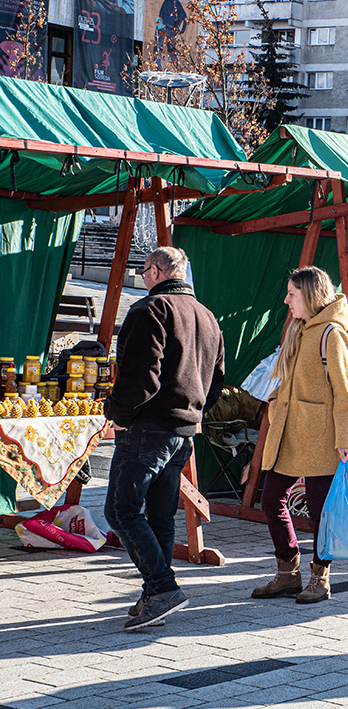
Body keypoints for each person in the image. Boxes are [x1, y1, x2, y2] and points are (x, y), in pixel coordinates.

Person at [105, 247, 224, 630]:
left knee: (121, 511)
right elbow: (216, 380)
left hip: (148, 427)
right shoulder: (207, 316)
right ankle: (155, 593)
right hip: (183, 430)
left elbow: (140, 376)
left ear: (156, 271)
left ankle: (162, 587)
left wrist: (118, 416)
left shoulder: (151, 309)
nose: (142, 277)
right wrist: (194, 414)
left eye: (143, 270)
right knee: (158, 514)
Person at [253, 267, 348, 605]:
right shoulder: (298, 330)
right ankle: (287, 573)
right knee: (270, 499)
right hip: (288, 433)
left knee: (319, 511)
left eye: (292, 294)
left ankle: (320, 578)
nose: (286, 300)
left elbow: (344, 396)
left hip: (320, 438)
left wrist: (345, 441)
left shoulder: (332, 335)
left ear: (310, 295)